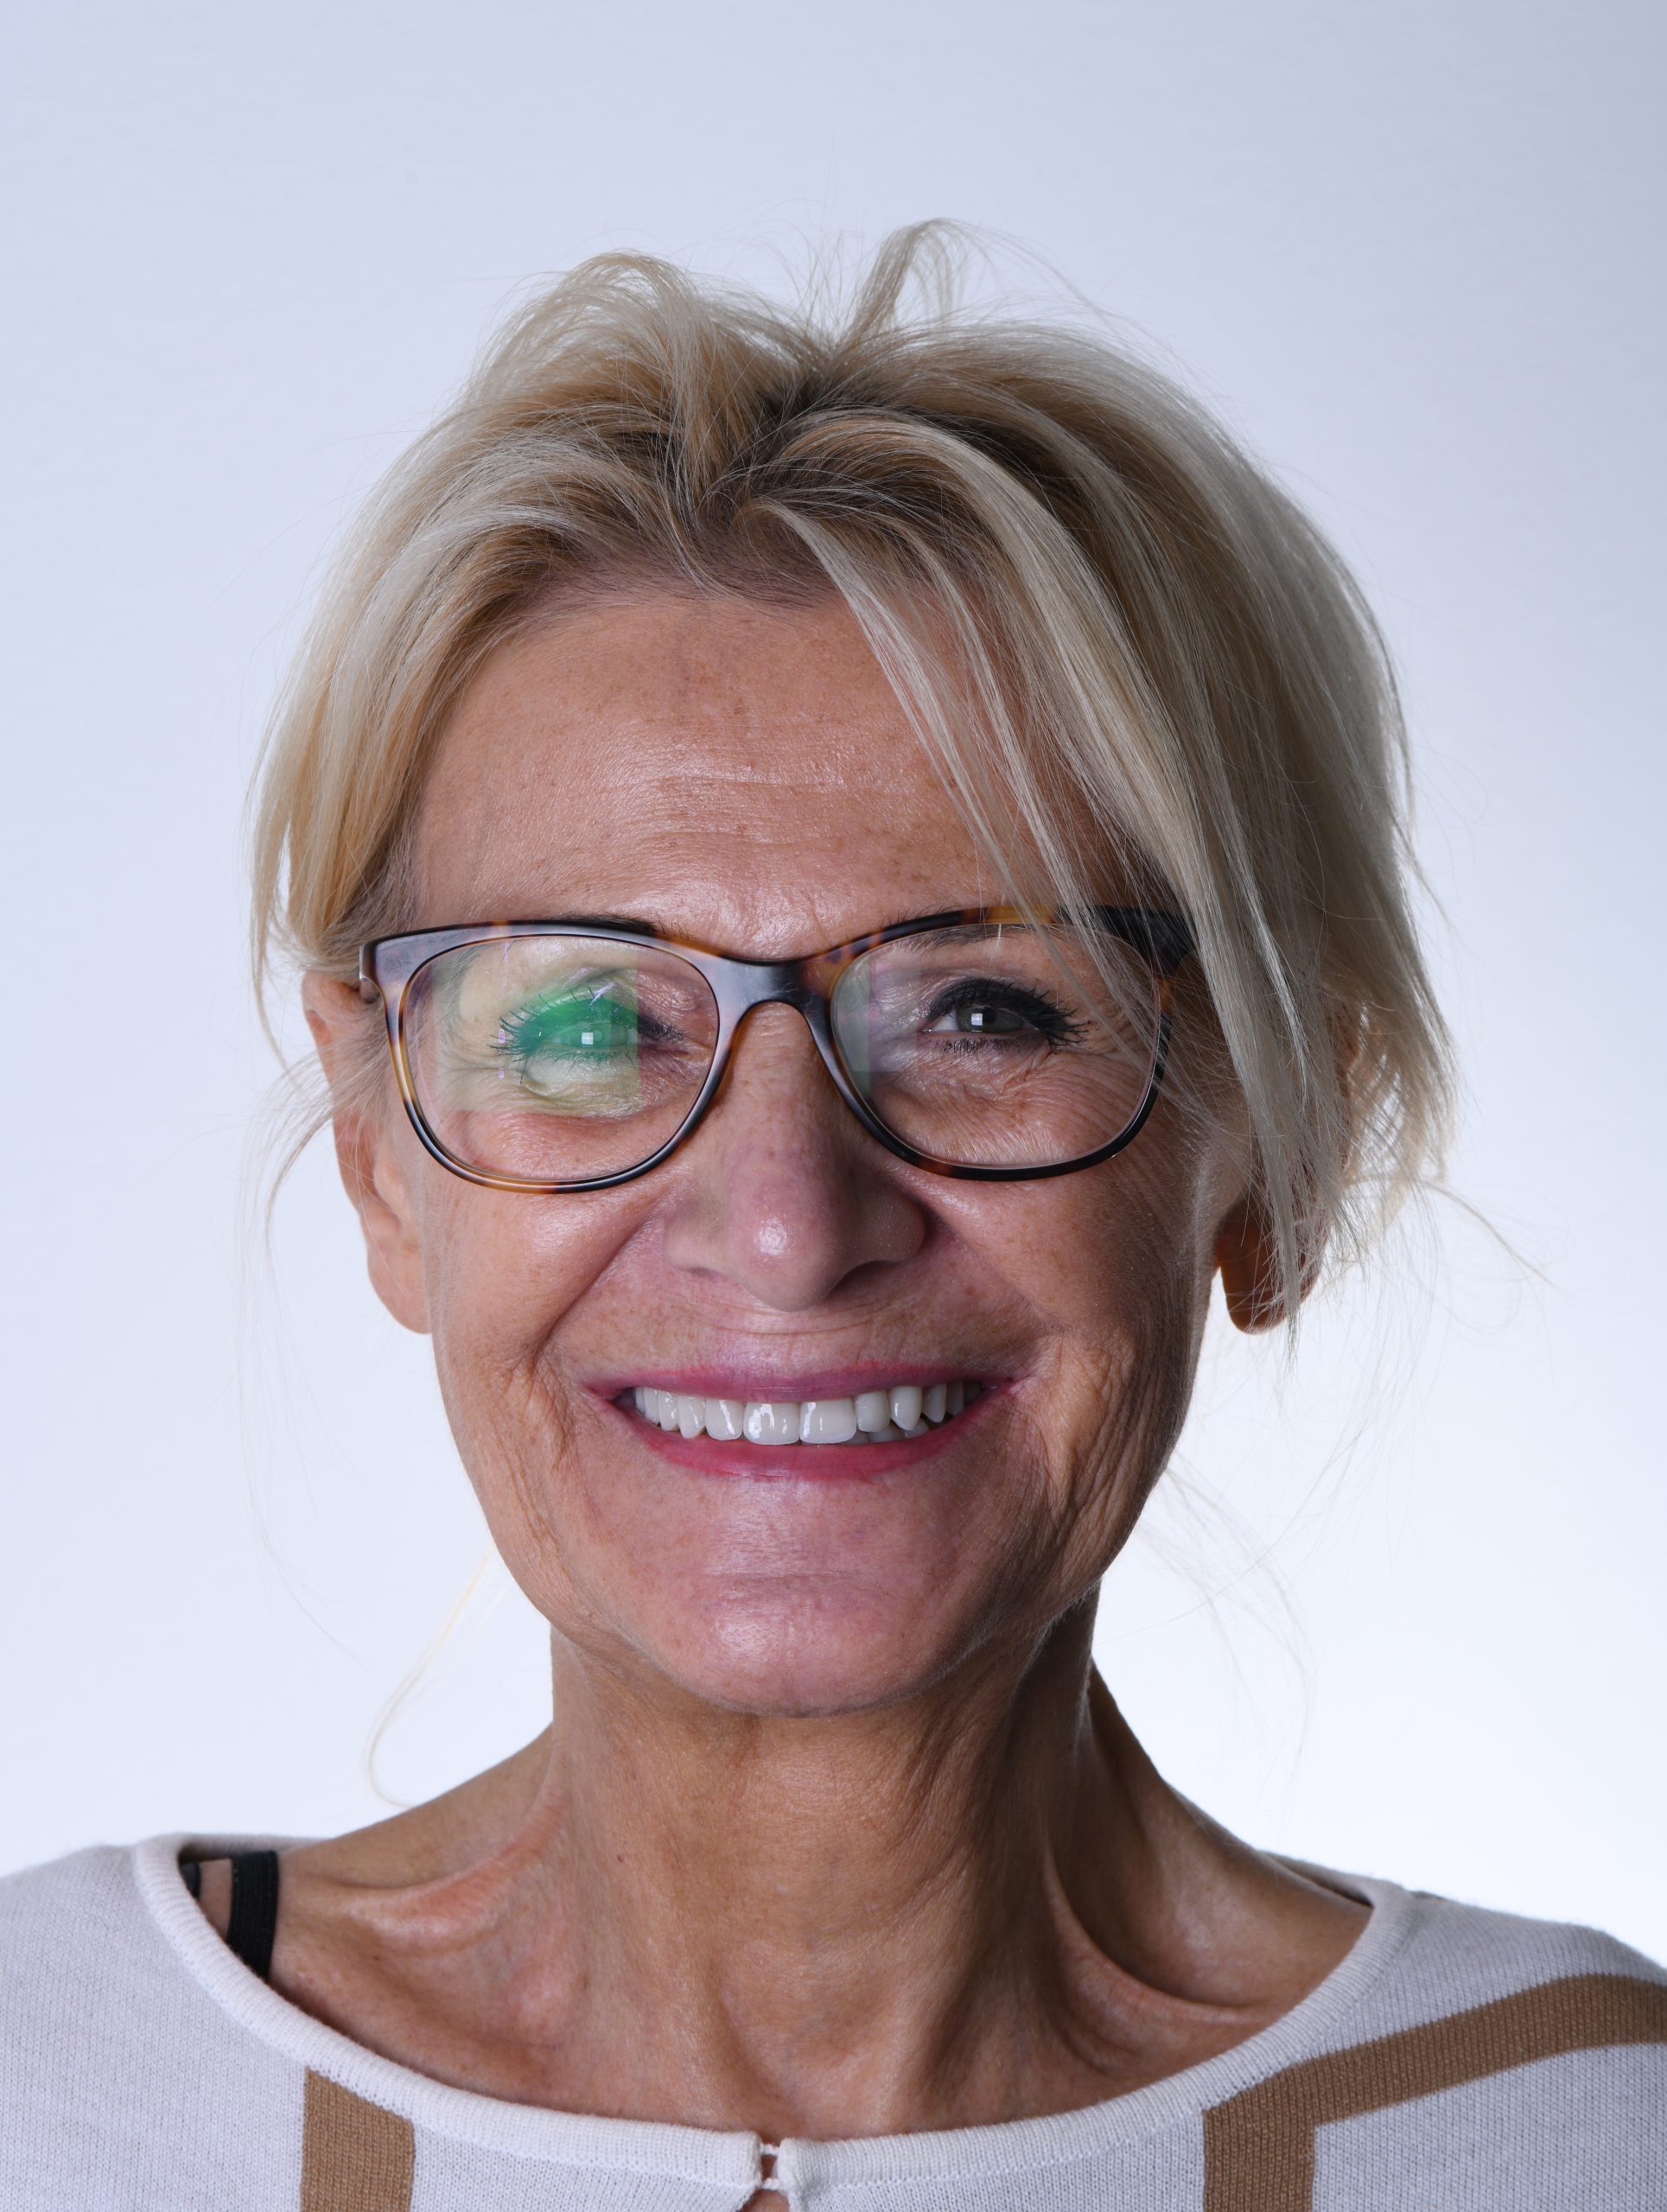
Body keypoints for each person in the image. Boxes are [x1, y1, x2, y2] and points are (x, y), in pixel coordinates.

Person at [3, 226, 1661, 2211]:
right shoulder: (40, 2079)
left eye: (983, 1010)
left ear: (1280, 1138)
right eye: (588, 1020)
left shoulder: (1592, 2137)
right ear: (380, 1150)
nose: (787, 1227)